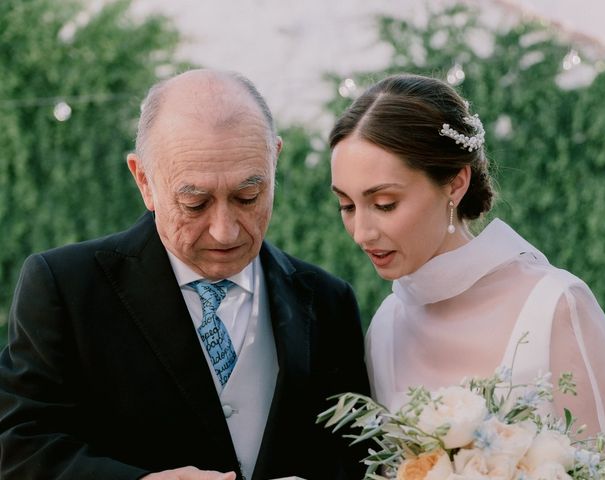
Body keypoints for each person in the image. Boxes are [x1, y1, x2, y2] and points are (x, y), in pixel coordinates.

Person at [0, 69, 370, 480]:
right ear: (144, 180)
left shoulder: (329, 301)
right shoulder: (64, 287)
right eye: (195, 203)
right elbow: (18, 447)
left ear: (275, 160)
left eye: (248, 196)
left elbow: (355, 454)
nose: (224, 230)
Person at [328, 73, 605, 478]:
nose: (361, 233)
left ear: (456, 183)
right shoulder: (387, 326)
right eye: (347, 206)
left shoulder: (553, 307)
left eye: (384, 203)